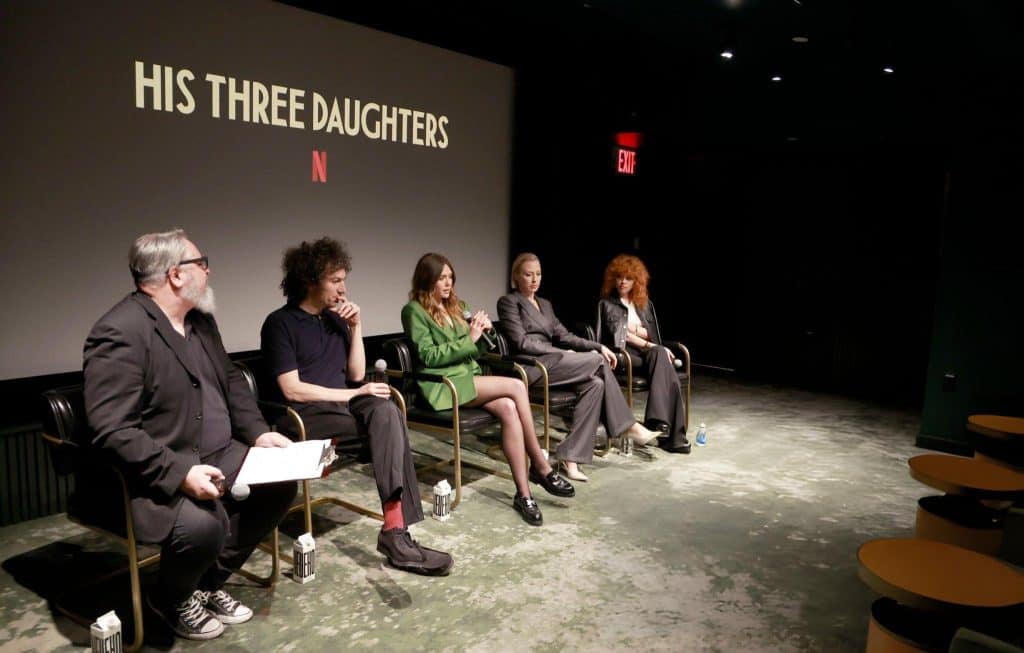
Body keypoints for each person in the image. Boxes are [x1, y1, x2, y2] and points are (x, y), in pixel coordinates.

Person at [83, 229, 297, 641]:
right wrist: (181, 472)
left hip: (218, 449)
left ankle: (203, 584)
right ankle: (170, 596)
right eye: (201, 263)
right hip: (158, 467)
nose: (208, 270)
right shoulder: (120, 331)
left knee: (280, 480)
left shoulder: (200, 321)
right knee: (203, 526)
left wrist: (257, 433)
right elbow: (113, 429)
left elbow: (231, 380)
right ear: (176, 275)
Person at [260, 237, 452, 575]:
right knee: (387, 426)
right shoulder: (280, 323)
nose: (343, 289)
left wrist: (356, 326)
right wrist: (351, 394)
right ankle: (396, 532)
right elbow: (293, 390)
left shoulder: (335, 320)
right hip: (305, 416)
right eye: (335, 280)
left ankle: (394, 529)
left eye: (344, 280)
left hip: (341, 410)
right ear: (309, 281)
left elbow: (356, 373)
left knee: (387, 408)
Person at [400, 252, 575, 527]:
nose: (448, 283)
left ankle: (524, 494)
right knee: (516, 385)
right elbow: (428, 356)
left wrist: (485, 333)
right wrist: (469, 339)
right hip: (444, 385)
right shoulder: (414, 311)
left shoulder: (458, 306)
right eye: (441, 278)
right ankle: (541, 466)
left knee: (508, 407)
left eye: (450, 277)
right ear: (427, 280)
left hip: (468, 377)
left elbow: (476, 351)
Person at [496, 252, 660, 482]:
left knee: (595, 384)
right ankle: (626, 425)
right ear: (516, 276)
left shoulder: (545, 304)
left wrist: (598, 346)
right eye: (528, 274)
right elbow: (522, 342)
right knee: (597, 362)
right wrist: (564, 353)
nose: (535, 279)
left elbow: (565, 335)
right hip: (532, 367)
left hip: (556, 364)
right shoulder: (508, 302)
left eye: (538, 274)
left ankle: (570, 457)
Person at [599, 254, 691, 454]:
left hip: (648, 353)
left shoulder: (644, 304)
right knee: (663, 361)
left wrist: (642, 335)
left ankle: (667, 432)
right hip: (624, 355)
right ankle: (673, 434)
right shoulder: (608, 304)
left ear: (636, 281)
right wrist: (646, 342)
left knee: (666, 368)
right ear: (612, 279)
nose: (623, 282)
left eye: (628, 278)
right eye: (619, 277)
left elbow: (651, 334)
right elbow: (622, 336)